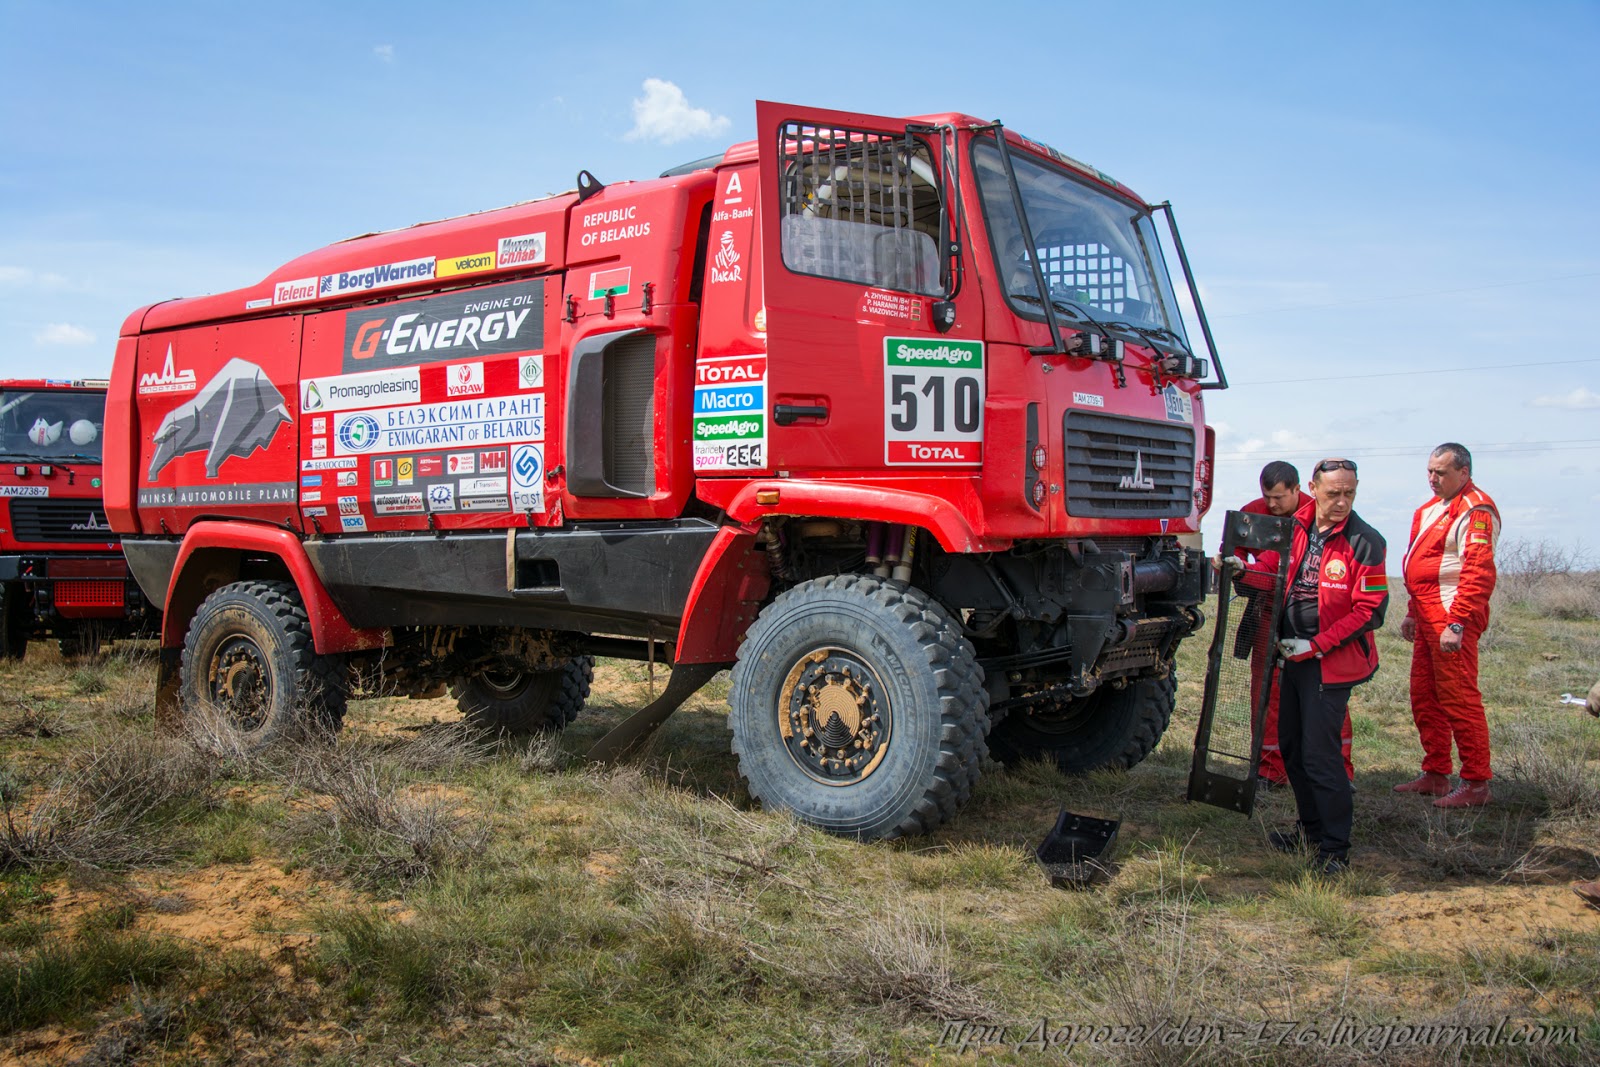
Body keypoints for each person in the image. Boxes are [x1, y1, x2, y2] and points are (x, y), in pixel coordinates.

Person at [1243, 458, 1387, 875]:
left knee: (1321, 756)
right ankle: (1308, 831)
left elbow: (1370, 610)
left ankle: (1335, 849)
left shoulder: (1365, 542)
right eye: (1333, 493)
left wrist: (1317, 645)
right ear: (1313, 488)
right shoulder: (1299, 526)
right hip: (1292, 654)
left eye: (1349, 494)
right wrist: (1243, 571)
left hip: (1330, 662)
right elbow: (1277, 568)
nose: (1341, 502)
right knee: (1291, 746)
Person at [1235, 461, 1355, 788]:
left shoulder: (1316, 515)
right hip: (1267, 613)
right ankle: (1269, 770)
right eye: (1267, 497)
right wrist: (1240, 570)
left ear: (1297, 489)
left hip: (1314, 618)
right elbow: (1240, 554)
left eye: (1279, 498)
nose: (1273, 505)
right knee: (1266, 693)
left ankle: (1339, 771)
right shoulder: (1252, 513)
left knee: (1325, 694)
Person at [1395, 443, 1500, 809]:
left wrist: (1457, 621)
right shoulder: (1428, 510)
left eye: (1441, 472)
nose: (1433, 478)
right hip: (1426, 615)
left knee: (1458, 696)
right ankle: (1436, 773)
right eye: (1430, 471)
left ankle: (1475, 781)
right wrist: (1411, 610)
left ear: (1464, 473)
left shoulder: (1476, 509)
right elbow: (1418, 566)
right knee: (1424, 694)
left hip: (1451, 616)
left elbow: (1478, 571)